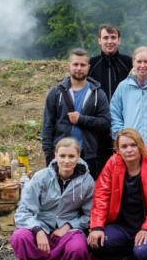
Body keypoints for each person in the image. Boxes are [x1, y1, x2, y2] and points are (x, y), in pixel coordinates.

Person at [10, 137, 94, 260]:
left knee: (78, 249)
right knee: (20, 236)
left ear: (78, 157)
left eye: (71, 156)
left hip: (67, 229)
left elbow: (90, 214)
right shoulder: (41, 177)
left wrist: (68, 226)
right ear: (55, 156)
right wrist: (38, 230)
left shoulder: (87, 181)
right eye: (62, 156)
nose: (66, 161)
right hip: (42, 224)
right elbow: (24, 210)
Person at [87, 128, 147, 260]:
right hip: (122, 225)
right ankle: (127, 257)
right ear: (118, 149)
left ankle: (134, 259)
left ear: (140, 146)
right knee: (96, 242)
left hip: (146, 224)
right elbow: (102, 196)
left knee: (143, 252)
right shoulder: (112, 164)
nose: (129, 150)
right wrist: (97, 226)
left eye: (133, 145)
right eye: (124, 147)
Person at [41, 48, 110, 180]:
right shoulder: (56, 93)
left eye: (83, 65)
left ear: (88, 67)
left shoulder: (98, 94)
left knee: (86, 196)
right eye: (75, 64)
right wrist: (49, 154)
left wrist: (81, 119)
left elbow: (106, 123)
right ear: (69, 66)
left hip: (88, 155)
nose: (79, 68)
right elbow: (47, 125)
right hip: (62, 156)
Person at [89, 24, 132, 168]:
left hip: (125, 126)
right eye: (105, 37)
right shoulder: (91, 64)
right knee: (102, 171)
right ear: (99, 40)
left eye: (113, 37)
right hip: (98, 128)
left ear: (119, 40)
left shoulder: (129, 63)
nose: (109, 41)